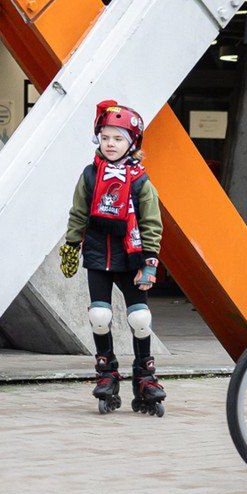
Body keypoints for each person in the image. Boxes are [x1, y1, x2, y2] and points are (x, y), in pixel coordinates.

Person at [59, 101, 165, 415]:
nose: (111, 144)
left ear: (132, 142)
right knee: (100, 315)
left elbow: (151, 223)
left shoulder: (141, 181)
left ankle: (145, 377)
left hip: (131, 257)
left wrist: (150, 261)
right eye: (105, 137)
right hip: (97, 254)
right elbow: (78, 212)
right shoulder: (90, 175)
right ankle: (107, 372)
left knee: (140, 319)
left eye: (118, 138)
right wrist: (71, 244)